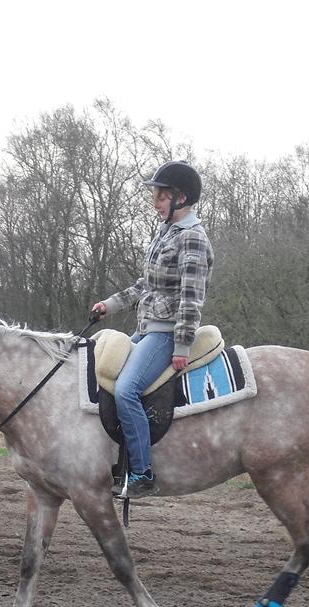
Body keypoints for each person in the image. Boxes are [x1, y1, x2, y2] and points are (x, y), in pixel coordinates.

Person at [91, 160, 215, 499]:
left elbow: (191, 299)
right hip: (146, 329)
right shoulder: (166, 233)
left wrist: (182, 347)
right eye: (157, 196)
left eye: (161, 196)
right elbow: (145, 285)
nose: (155, 202)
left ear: (181, 198)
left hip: (165, 333)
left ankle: (143, 473)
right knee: (99, 370)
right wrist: (109, 305)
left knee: (127, 390)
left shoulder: (193, 239)